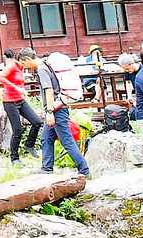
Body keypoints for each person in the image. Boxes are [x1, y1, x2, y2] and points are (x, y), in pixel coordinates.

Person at [19, 48, 90, 177]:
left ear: (28, 59)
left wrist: (50, 112)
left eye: (24, 63)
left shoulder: (42, 69)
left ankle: (84, 170)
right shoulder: (45, 65)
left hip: (56, 110)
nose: (24, 67)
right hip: (56, 108)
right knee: (46, 138)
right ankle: (47, 168)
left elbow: (49, 90)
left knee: (66, 141)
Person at [0, 49, 43, 163]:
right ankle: (14, 158)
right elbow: (1, 78)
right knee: (18, 130)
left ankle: (29, 145)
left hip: (20, 100)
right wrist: (16, 88)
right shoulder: (12, 65)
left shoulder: (21, 67)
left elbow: (18, 81)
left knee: (37, 122)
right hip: (9, 102)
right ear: (24, 59)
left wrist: (21, 90)